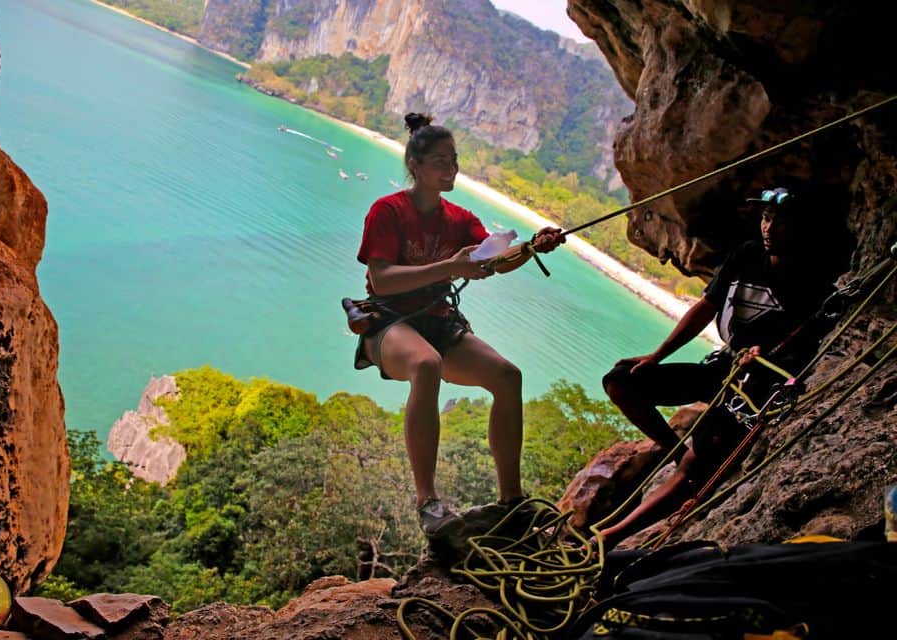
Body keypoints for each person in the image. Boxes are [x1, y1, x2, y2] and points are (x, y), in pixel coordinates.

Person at [354, 112, 565, 537]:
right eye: (439, 161)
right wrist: (449, 266)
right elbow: (382, 279)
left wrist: (532, 247)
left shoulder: (459, 218)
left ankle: (512, 502)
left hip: (437, 323)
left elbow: (492, 260)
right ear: (415, 165)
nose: (450, 169)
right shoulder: (388, 211)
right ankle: (428, 502)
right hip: (389, 324)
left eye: (453, 160)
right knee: (426, 365)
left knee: (508, 377)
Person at [598, 186, 837, 548]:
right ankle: (675, 454)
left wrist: (769, 354)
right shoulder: (747, 256)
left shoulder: (812, 277)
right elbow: (706, 307)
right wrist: (656, 356)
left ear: (801, 228)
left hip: (759, 387)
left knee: (705, 448)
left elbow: (809, 338)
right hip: (724, 369)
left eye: (781, 221)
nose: (770, 228)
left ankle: (612, 536)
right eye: (767, 218)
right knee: (621, 380)